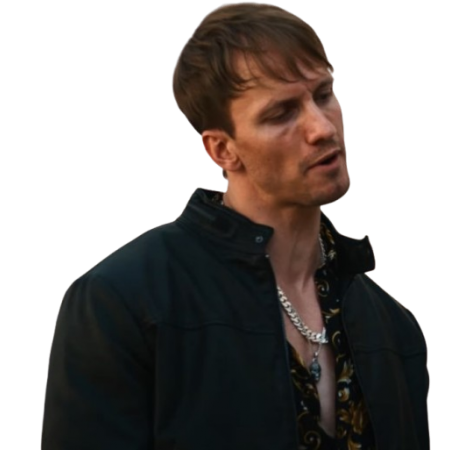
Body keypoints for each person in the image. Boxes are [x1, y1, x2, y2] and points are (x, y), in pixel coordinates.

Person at [41, 3, 430, 449]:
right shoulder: (122, 302)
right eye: (281, 113)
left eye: (324, 94)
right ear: (222, 150)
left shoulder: (392, 326)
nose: (322, 128)